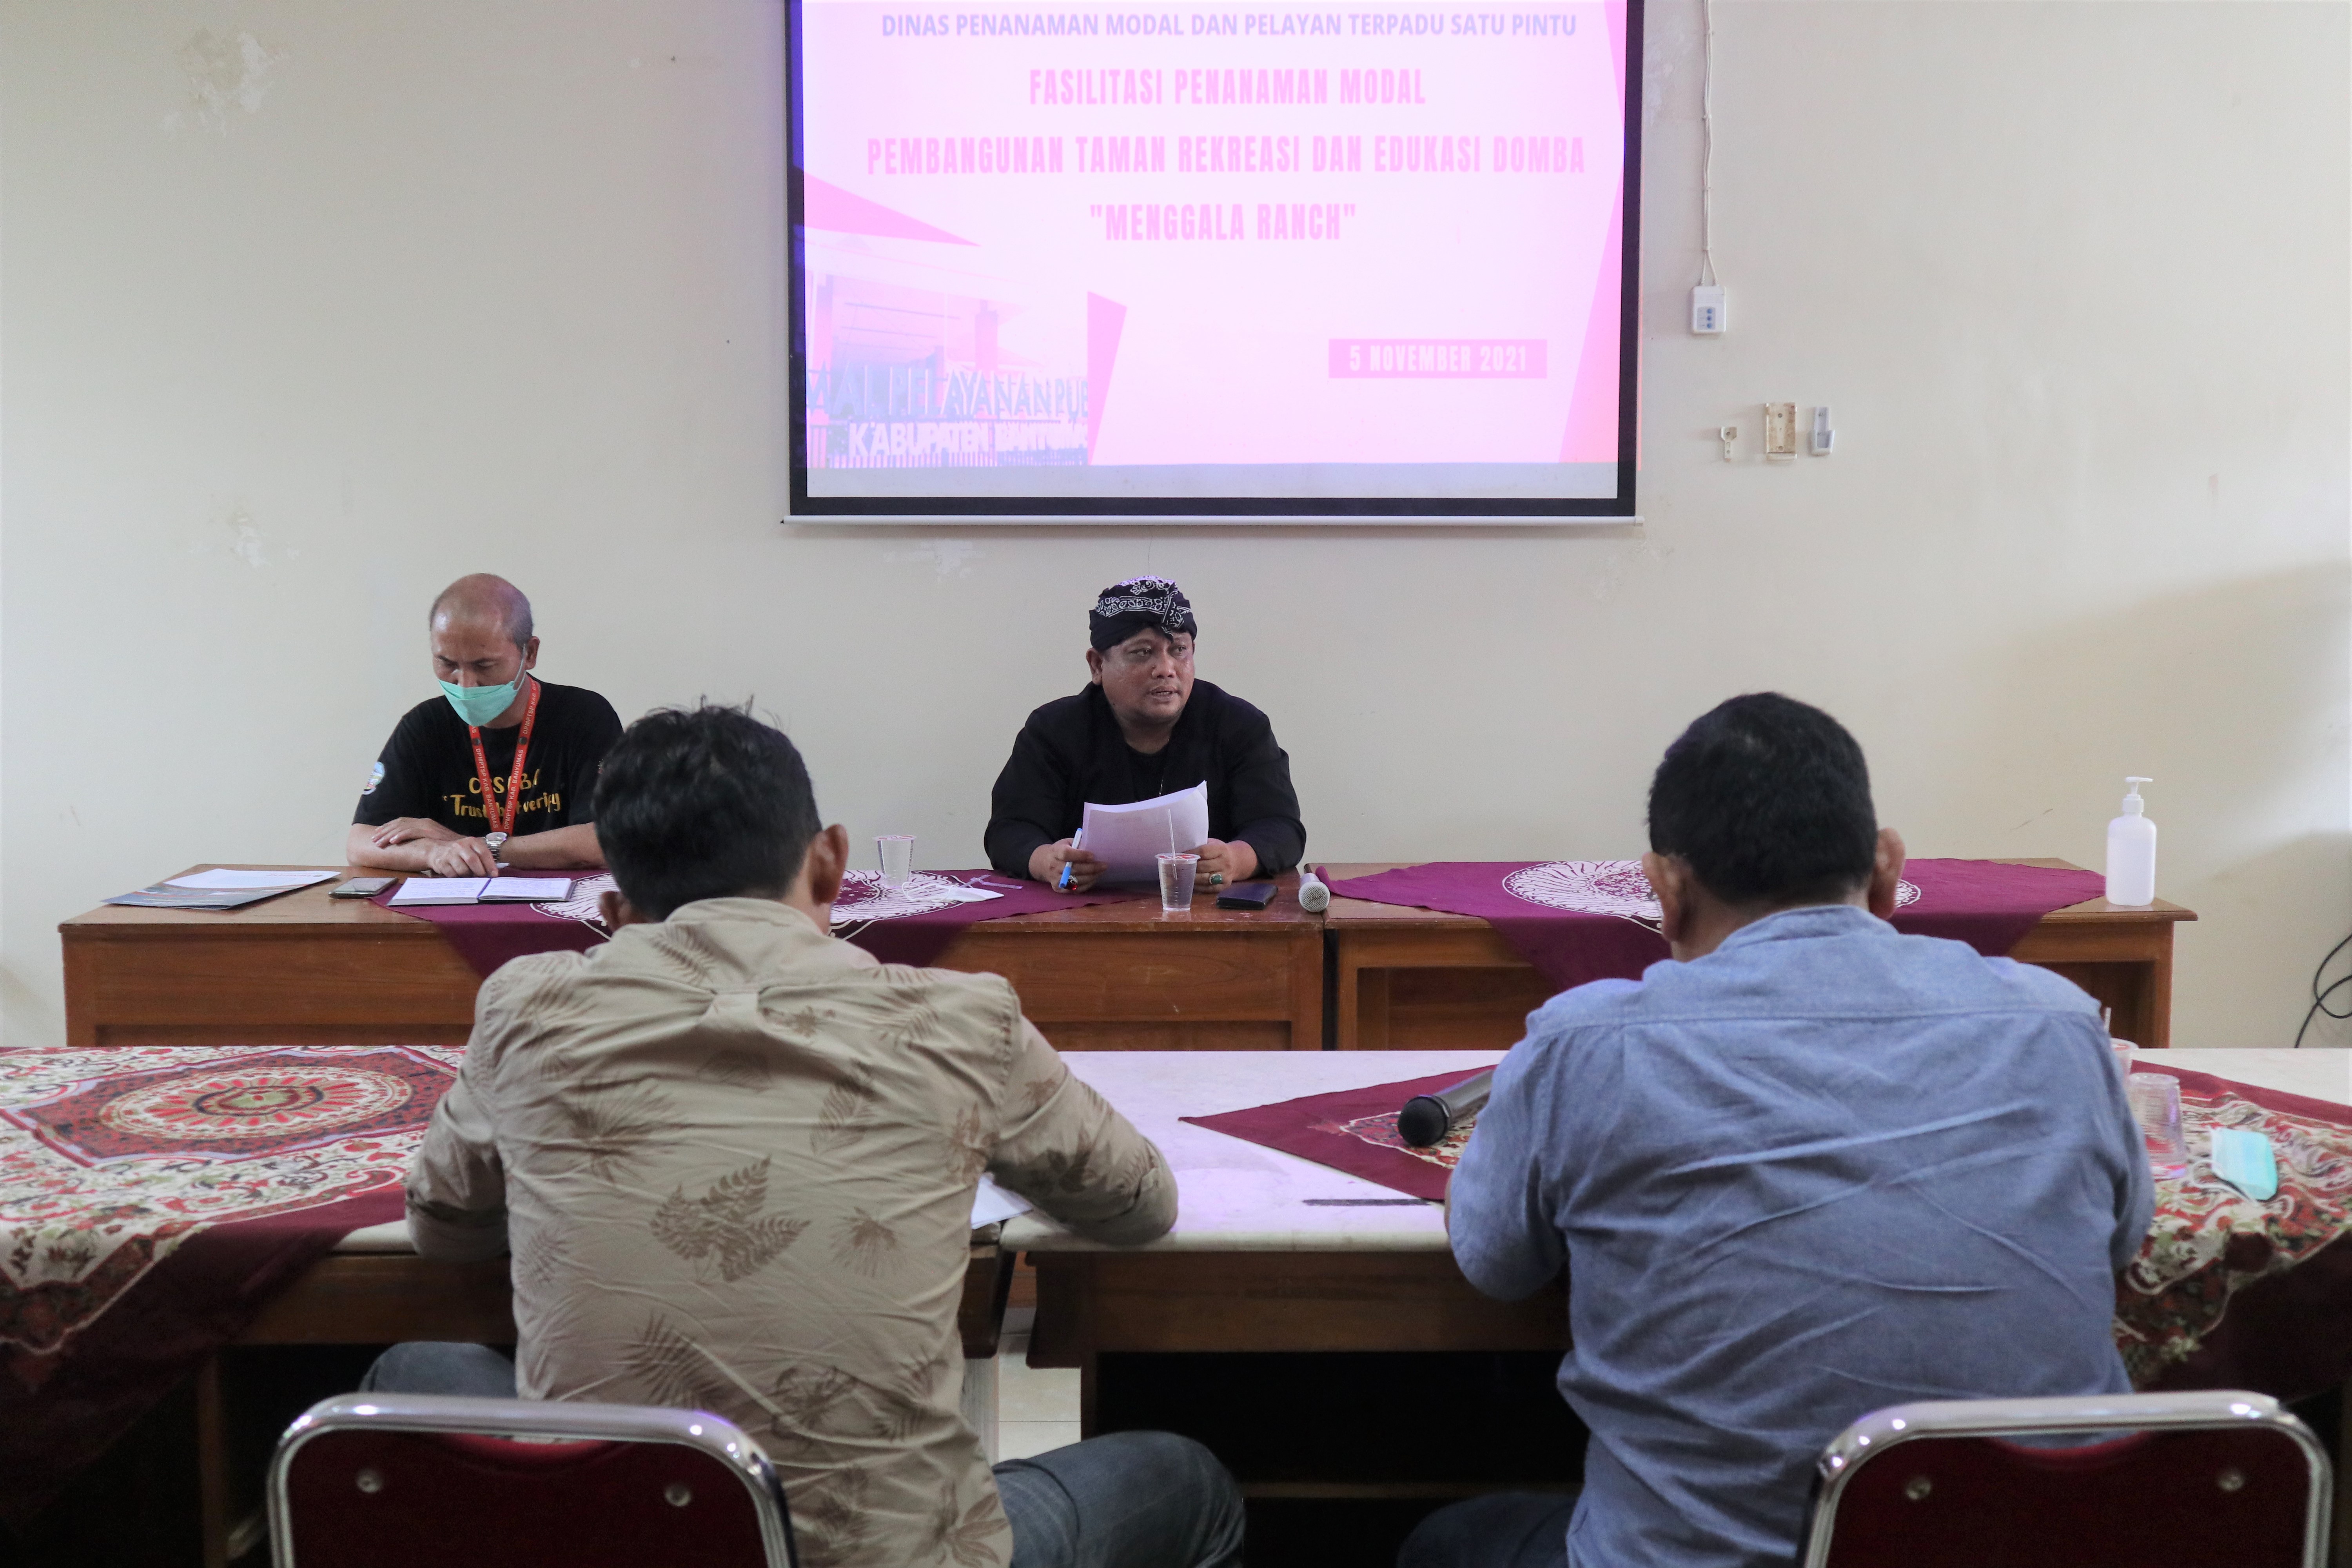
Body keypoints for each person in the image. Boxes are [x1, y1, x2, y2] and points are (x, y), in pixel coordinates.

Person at [368, 703, 1243, 1568]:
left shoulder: (529, 1009)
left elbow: (444, 1229)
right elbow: (1140, 1203)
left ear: (614, 906)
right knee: (1187, 1478)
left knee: (404, 1374)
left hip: (616, 1529)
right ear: (829, 861)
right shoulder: (959, 1017)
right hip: (887, 1554)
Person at [1407, 693, 2152, 1568]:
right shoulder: (2060, 1022)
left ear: (1666, 890)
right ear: (1885, 871)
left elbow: (1497, 1265)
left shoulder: (1586, 1043)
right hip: (2034, 1543)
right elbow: (2123, 1238)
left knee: (1446, 1539)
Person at [986, 576, 1305, 891]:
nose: (1166, 669)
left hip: (1210, 914)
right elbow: (1010, 829)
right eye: (1143, 653)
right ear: (1097, 665)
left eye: (1179, 650)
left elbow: (1280, 826)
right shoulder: (1053, 730)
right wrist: (1047, 862)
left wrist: (1234, 861)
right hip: (1083, 918)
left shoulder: (1240, 725)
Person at [347, 573, 619, 875]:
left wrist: (474, 846)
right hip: (451, 911)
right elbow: (359, 842)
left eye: (484, 666)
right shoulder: (424, 725)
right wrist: (435, 853)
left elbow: (604, 840)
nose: (465, 685)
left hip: (559, 908)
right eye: (447, 664)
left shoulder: (584, 716)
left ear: (529, 654)